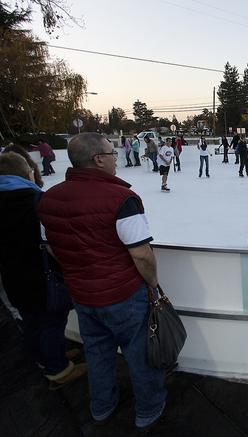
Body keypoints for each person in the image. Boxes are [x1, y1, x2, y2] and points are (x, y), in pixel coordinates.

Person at [37, 133, 167, 429]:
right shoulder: (121, 198)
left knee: (97, 353)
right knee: (139, 354)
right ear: (98, 159)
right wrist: (152, 284)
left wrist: (79, 270)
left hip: (82, 294)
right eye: (112, 154)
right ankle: (149, 409)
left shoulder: (49, 197)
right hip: (122, 295)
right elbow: (142, 254)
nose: (115, 159)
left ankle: (101, 406)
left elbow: (53, 247)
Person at [0, 152, 87, 388]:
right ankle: (58, 371)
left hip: (11, 276)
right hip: (41, 275)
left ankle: (45, 358)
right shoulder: (36, 200)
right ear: (28, 173)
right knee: (51, 321)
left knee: (30, 321)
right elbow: (53, 242)